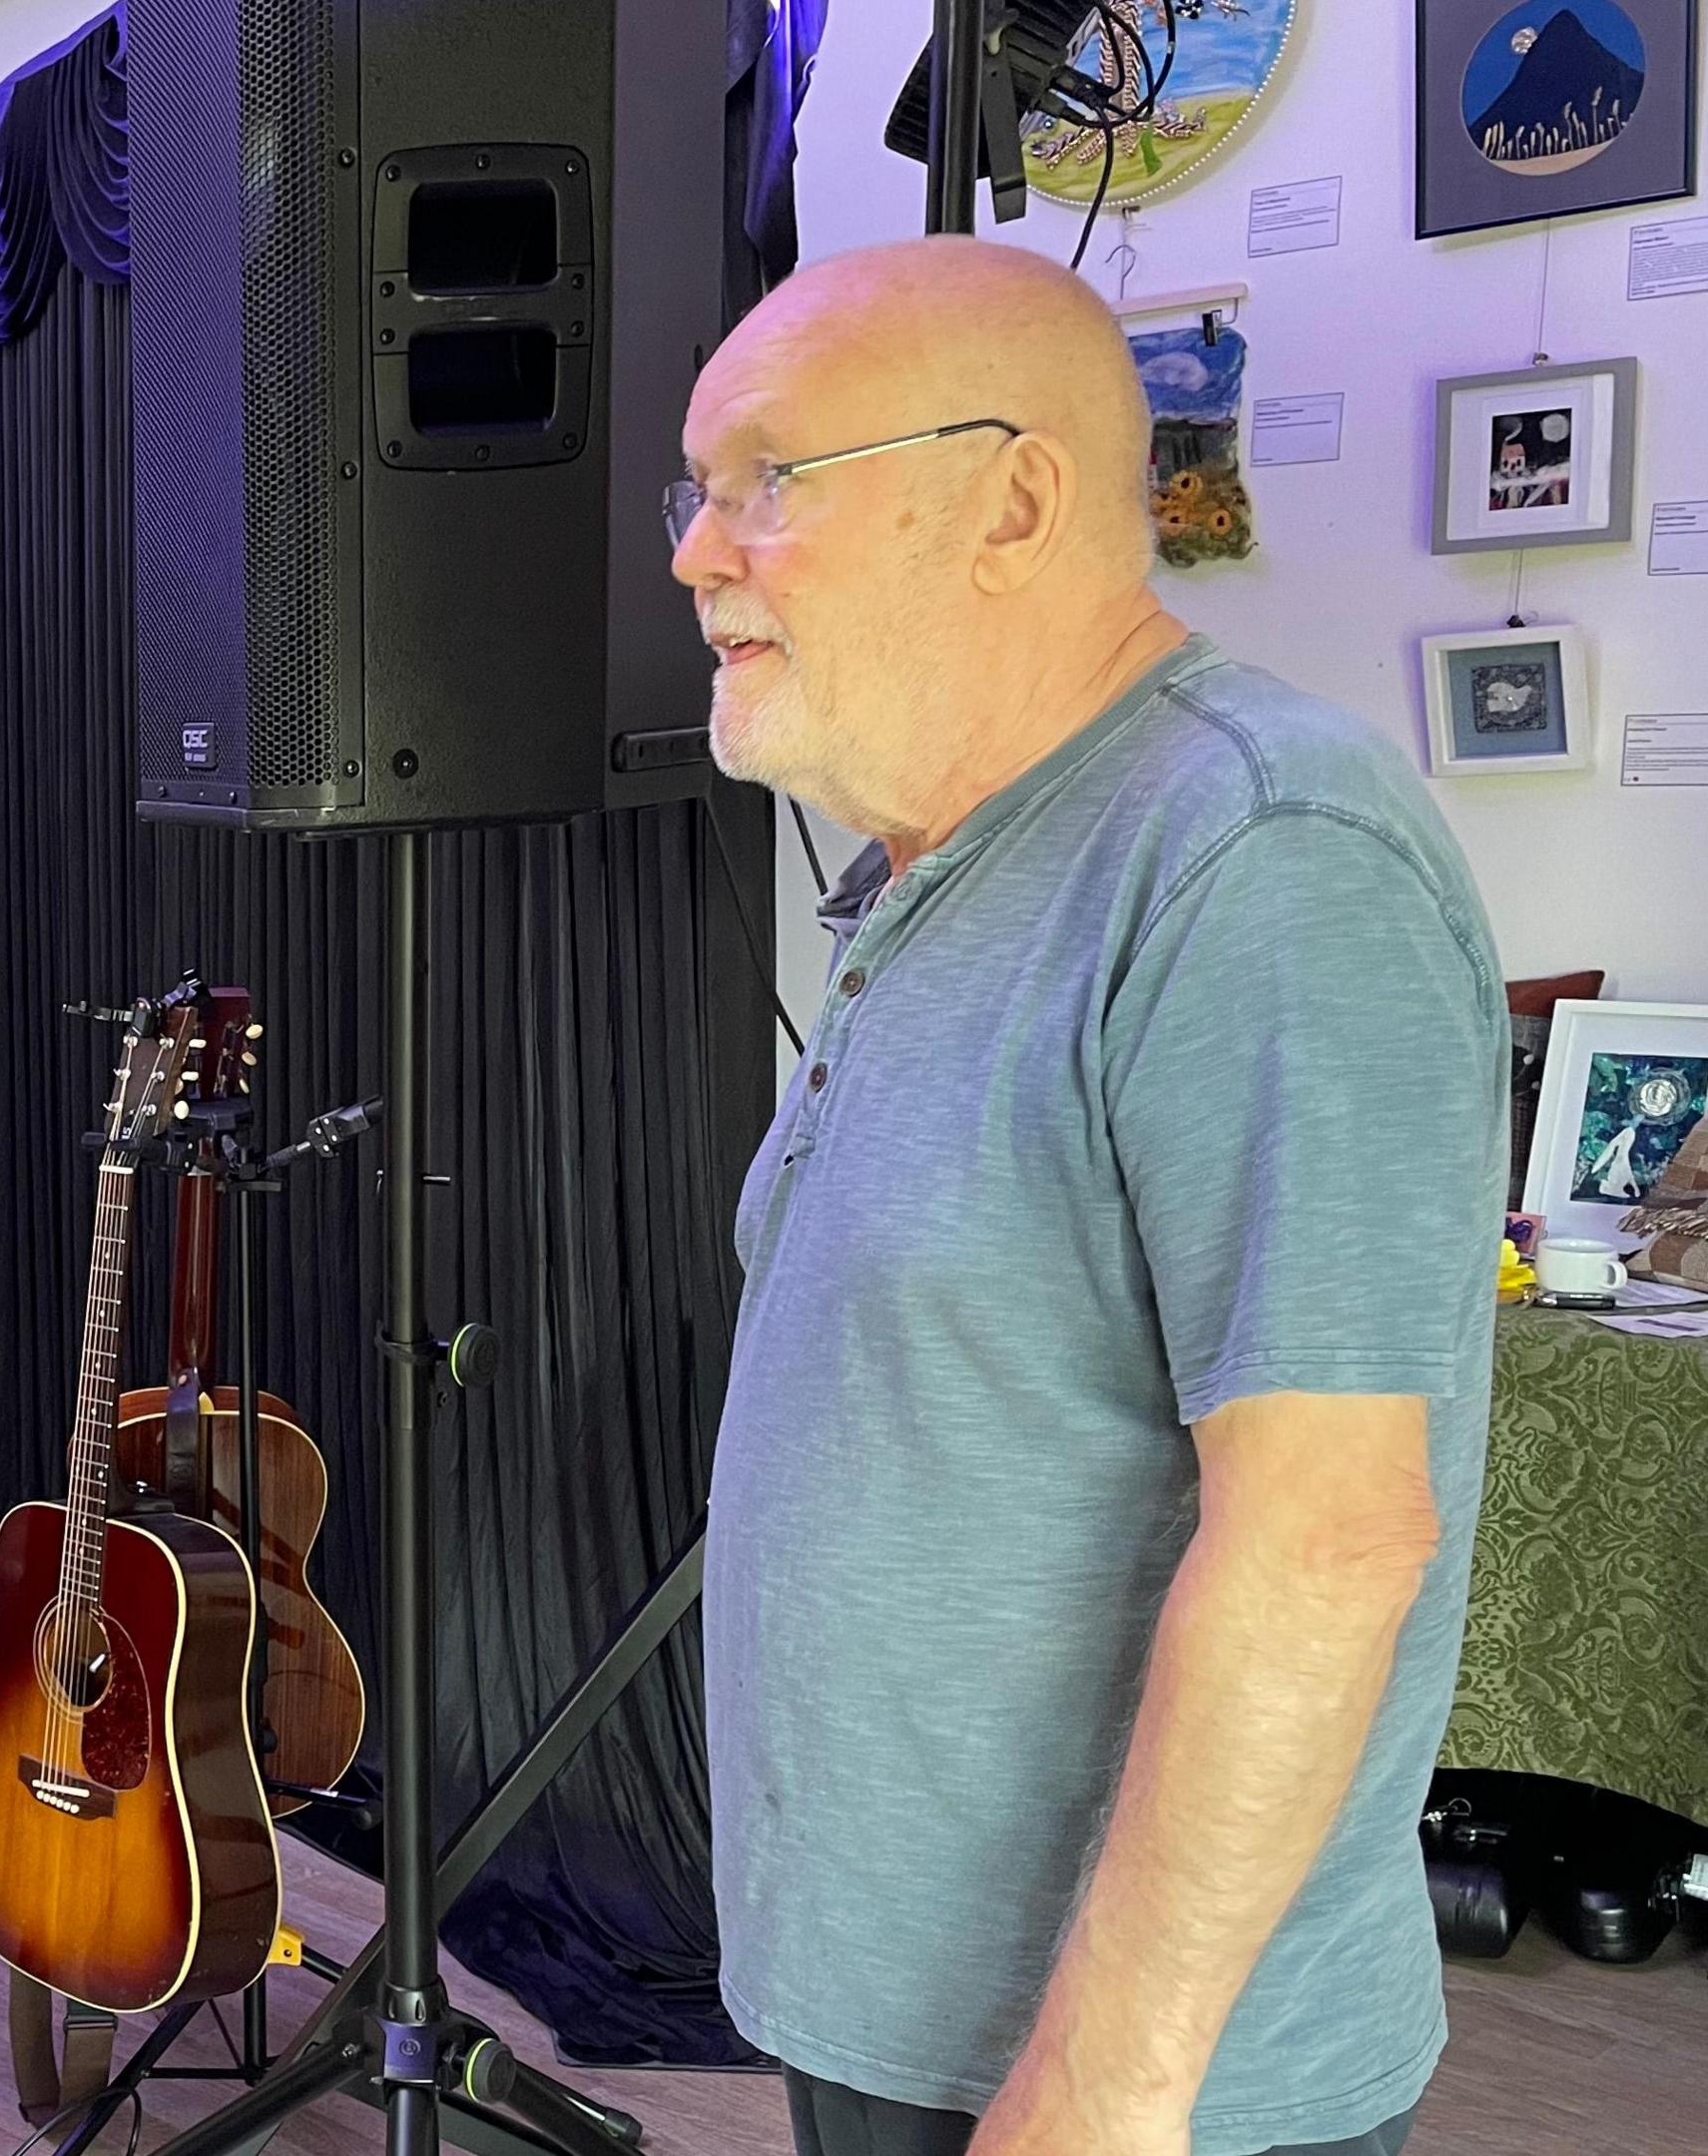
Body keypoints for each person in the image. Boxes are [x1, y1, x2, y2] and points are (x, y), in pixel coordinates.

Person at [673, 237, 1499, 2156]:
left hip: (1125, 2084)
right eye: (697, 493)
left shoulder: (1258, 854)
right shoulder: (947, 857)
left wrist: (1108, 2088)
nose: (701, 553)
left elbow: (1329, 1541)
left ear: (1014, 499)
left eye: (768, 482)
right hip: (904, 2009)